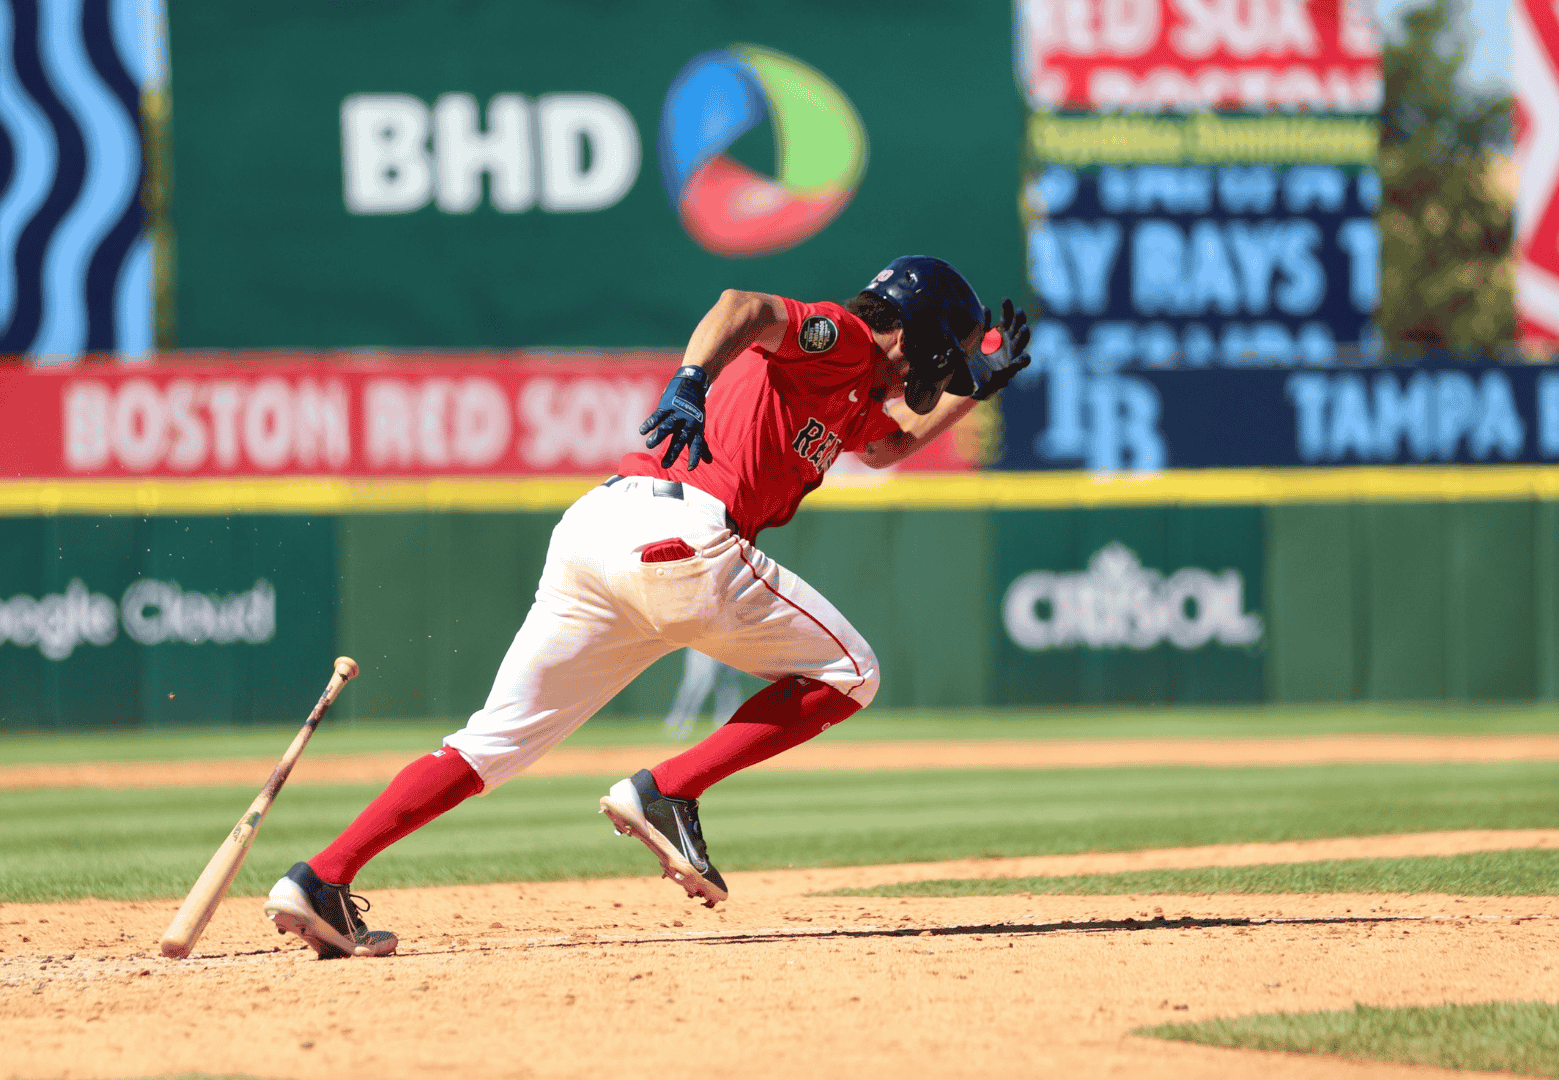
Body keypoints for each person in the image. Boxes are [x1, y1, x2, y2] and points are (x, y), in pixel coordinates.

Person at [264, 256, 1031, 958]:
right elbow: (747, 306)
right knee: (853, 670)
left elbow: (888, 449)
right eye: (950, 355)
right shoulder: (851, 340)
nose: (945, 370)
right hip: (680, 536)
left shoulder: (860, 393)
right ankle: (668, 790)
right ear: (923, 333)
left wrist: (974, 392)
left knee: (488, 745)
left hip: (598, 534)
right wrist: (690, 379)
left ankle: (322, 877)